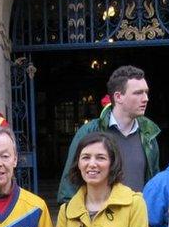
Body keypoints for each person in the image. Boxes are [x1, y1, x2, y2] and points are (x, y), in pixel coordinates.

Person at [58, 65, 161, 203]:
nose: (146, 98)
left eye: (146, 92)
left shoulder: (148, 135)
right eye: (138, 93)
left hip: (137, 219)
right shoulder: (90, 132)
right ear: (118, 97)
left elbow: (153, 184)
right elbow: (70, 181)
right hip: (98, 220)